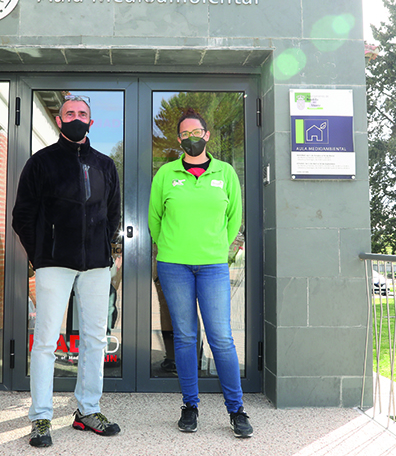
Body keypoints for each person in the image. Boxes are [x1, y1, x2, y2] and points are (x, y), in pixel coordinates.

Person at [13, 94, 122, 448]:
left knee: (94, 339)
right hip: (53, 265)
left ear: (91, 122)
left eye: (83, 114)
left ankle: (88, 411)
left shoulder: (105, 165)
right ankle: (41, 417)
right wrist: (41, 254)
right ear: (59, 122)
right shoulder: (41, 163)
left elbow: (112, 215)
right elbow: (22, 216)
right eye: (70, 113)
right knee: (44, 342)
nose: (76, 118)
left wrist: (104, 251)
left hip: (96, 267)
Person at [147, 108, 253, 438]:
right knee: (185, 336)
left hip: (213, 267)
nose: (192, 138)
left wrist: (218, 250)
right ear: (178, 140)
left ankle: (236, 410)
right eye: (185, 134)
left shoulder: (225, 173)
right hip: (174, 265)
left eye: (197, 133)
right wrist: (170, 247)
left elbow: (234, 217)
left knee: (221, 338)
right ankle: (190, 406)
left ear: (207, 135)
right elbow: (155, 219)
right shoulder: (166, 174)